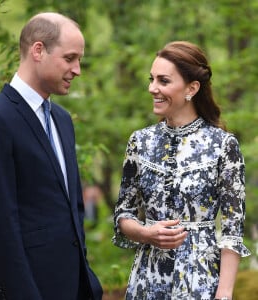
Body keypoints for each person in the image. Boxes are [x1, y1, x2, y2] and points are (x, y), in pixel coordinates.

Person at [0, 12, 103, 300]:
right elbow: (0, 226)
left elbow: (72, 209)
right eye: (70, 58)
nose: (77, 69)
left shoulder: (62, 120)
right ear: (38, 50)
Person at [112, 41, 250, 300]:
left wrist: (224, 294)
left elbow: (232, 230)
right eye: (151, 79)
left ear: (192, 88)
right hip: (146, 280)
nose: (152, 88)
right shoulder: (140, 142)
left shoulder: (223, 145)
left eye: (163, 81)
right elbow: (123, 214)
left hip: (200, 282)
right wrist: (145, 233)